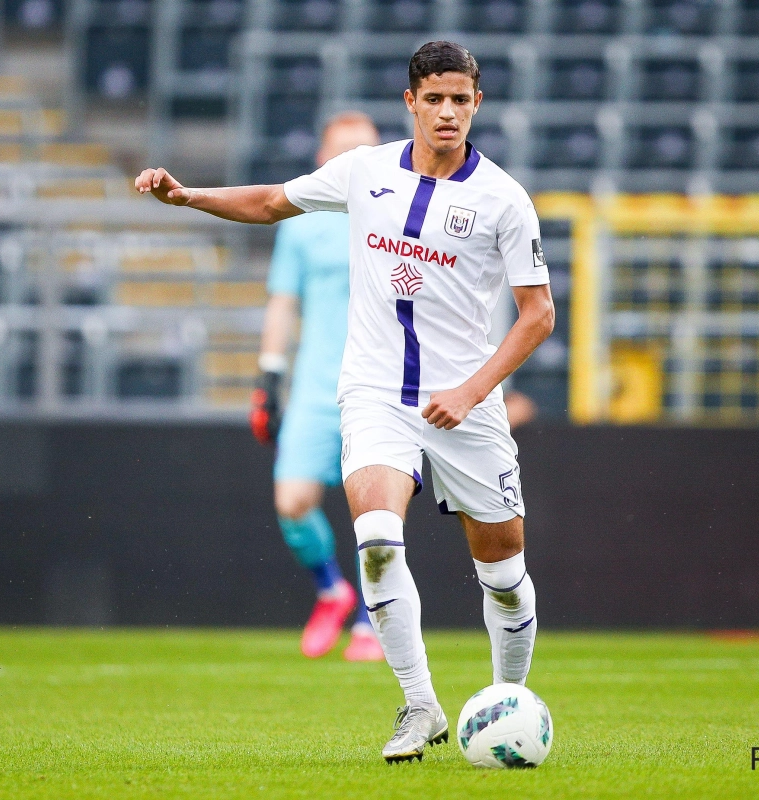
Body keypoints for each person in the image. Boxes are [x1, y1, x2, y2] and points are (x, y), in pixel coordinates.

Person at [136, 40, 554, 764]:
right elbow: (272, 202)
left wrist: (473, 390)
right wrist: (190, 196)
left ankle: (507, 703)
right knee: (378, 538)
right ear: (412, 103)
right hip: (375, 393)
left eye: (462, 99)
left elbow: (538, 313)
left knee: (505, 575)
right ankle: (419, 707)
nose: (448, 111)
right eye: (435, 99)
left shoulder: (503, 199)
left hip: (467, 404)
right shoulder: (365, 172)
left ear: (477, 103)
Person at [250, 112, 385, 662]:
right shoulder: (301, 221)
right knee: (293, 502)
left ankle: (374, 619)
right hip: (315, 385)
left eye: (365, 153)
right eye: (343, 153)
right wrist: (268, 375)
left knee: (375, 510)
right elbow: (284, 300)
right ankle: (332, 590)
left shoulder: (403, 220)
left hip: (379, 386)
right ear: (323, 162)